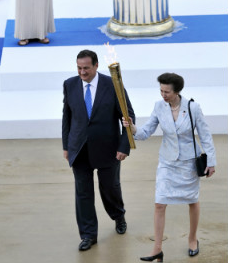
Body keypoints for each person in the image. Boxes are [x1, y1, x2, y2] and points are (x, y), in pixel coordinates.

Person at [122, 72, 216, 262]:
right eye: (161, 90)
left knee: (192, 200)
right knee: (159, 203)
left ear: (177, 91)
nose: (163, 95)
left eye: (167, 92)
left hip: (189, 162)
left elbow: (205, 135)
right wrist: (132, 127)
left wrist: (212, 161)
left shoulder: (193, 107)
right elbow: (145, 132)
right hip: (167, 162)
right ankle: (157, 248)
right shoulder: (159, 106)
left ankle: (192, 239)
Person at [62, 49, 135, 251]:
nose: (82, 72)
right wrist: (66, 146)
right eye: (79, 68)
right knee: (83, 194)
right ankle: (88, 235)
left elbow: (128, 117)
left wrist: (124, 146)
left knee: (109, 188)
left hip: (108, 149)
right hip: (79, 149)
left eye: (86, 68)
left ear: (96, 66)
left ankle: (118, 216)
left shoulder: (112, 85)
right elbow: (67, 117)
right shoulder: (69, 85)